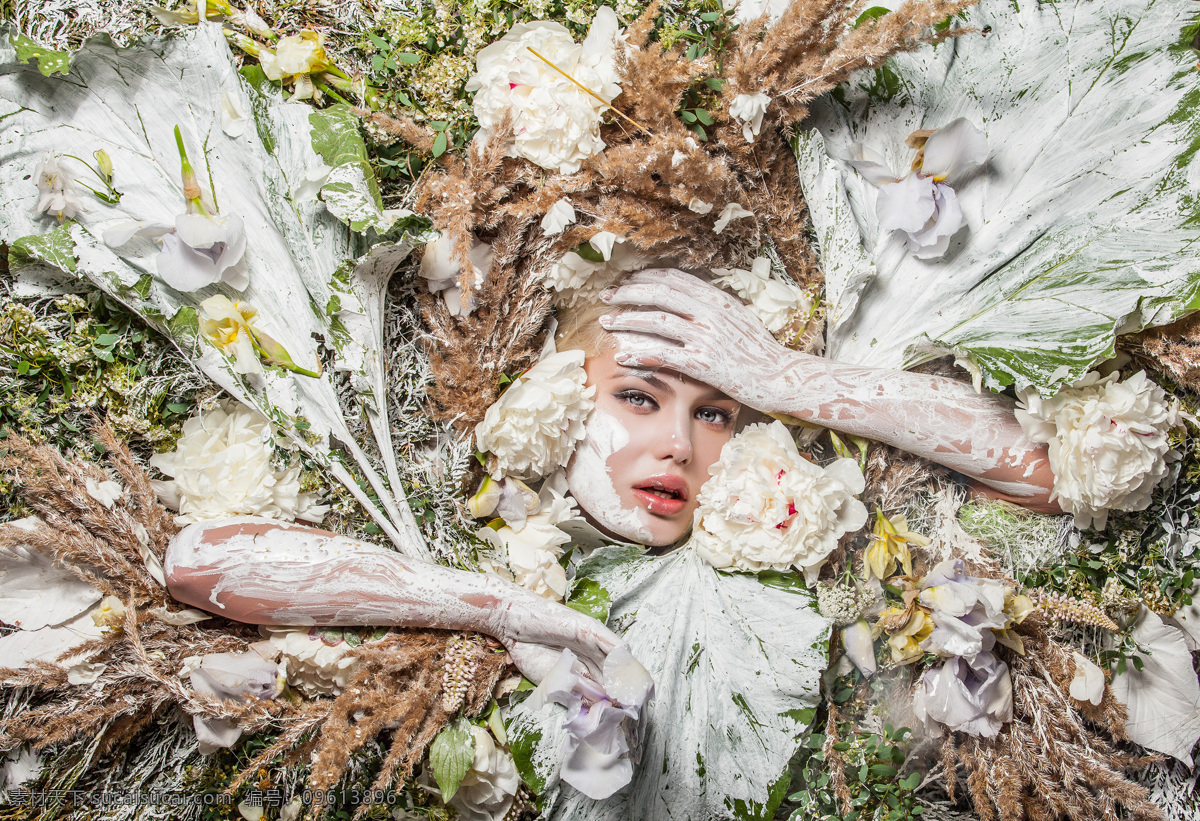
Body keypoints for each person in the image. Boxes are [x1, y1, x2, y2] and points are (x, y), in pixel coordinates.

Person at [165, 268, 1061, 690]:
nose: (678, 442)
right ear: (558, 396)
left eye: (717, 411)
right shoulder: (478, 524)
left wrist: (792, 382)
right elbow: (197, 562)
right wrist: (498, 607)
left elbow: (1048, 473)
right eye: (639, 395)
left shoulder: (808, 564)